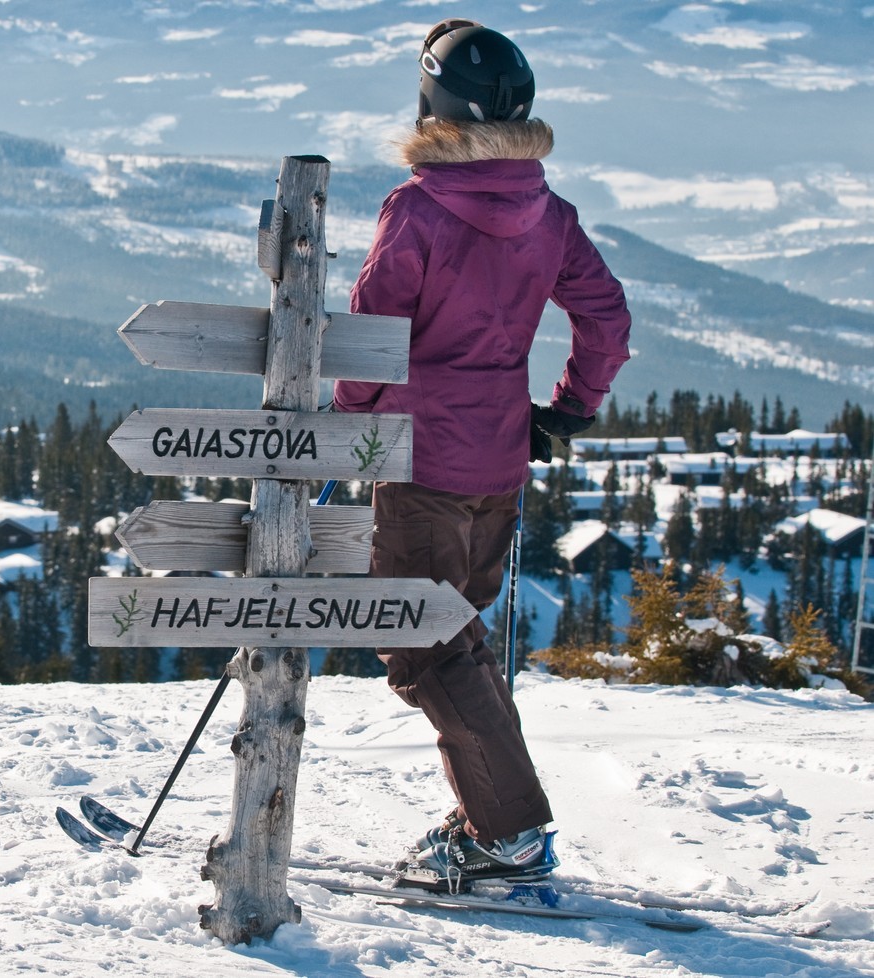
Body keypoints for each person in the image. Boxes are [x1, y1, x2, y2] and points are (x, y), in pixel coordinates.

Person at [332, 18, 632, 890]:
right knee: (457, 641)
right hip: (500, 464)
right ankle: (493, 821)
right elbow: (606, 318)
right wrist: (568, 410)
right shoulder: (549, 213)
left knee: (422, 648)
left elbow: (370, 340)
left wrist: (354, 416)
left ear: (435, 104)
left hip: (423, 464)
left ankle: (508, 835)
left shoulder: (421, 208)